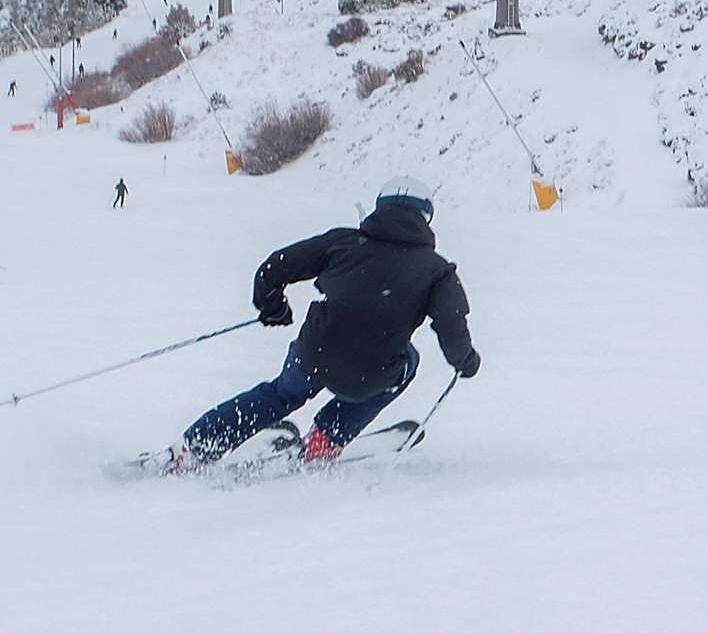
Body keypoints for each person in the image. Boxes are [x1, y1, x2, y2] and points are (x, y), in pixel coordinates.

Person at [148, 178, 481, 474]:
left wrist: (273, 308)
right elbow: (452, 329)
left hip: (313, 354)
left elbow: (273, 268)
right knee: (409, 362)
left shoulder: (344, 242)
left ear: (379, 208)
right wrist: (465, 362)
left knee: (280, 395)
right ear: (426, 217)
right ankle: (326, 439)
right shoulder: (439, 271)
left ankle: (193, 448)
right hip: (374, 372)